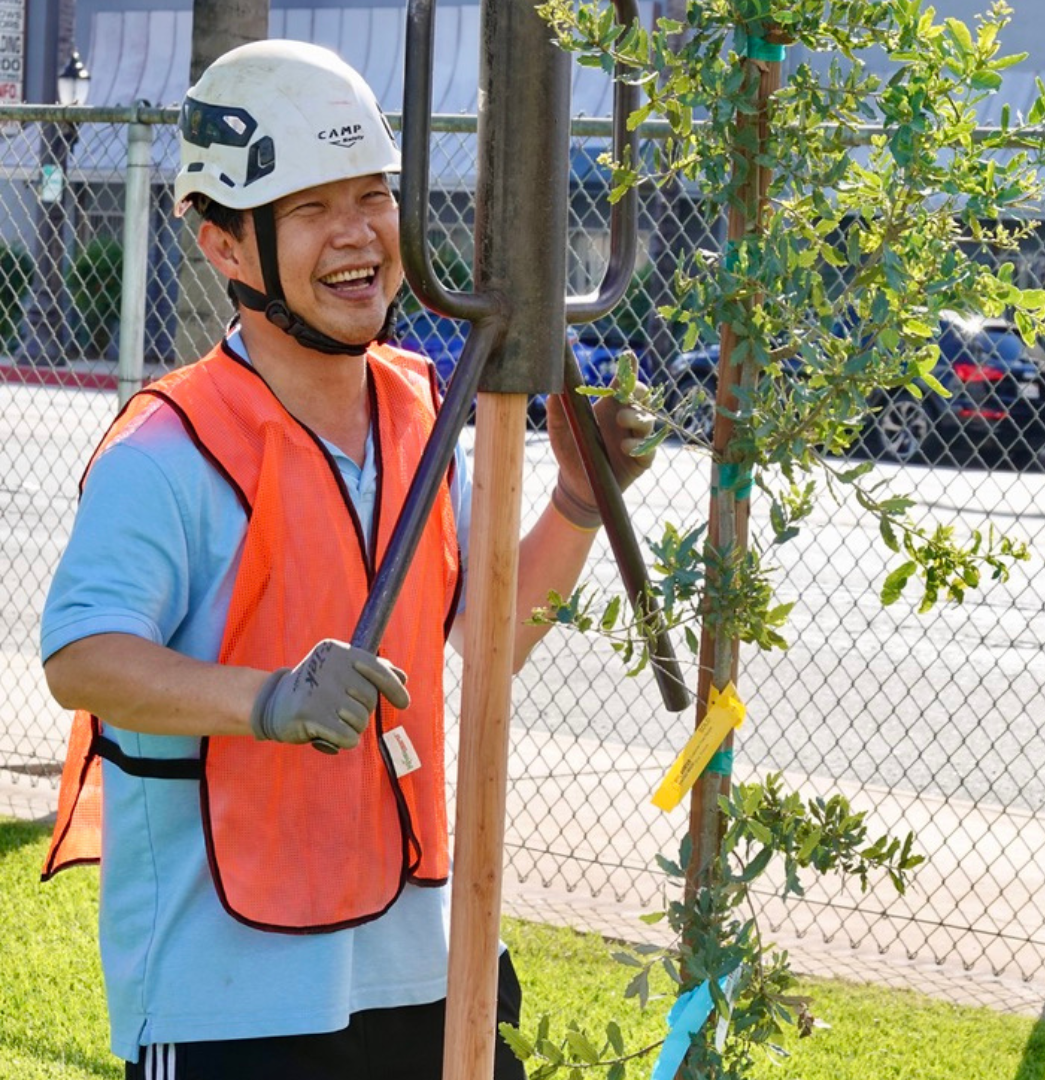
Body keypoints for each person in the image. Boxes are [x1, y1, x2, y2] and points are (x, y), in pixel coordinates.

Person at [40, 39, 654, 1080]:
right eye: (311, 207)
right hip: (230, 993)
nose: (359, 234)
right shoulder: (168, 451)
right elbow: (81, 659)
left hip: (426, 963)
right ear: (226, 246)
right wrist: (270, 700)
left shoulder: (424, 411)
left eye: (372, 195)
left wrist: (577, 505)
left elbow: (485, 644)